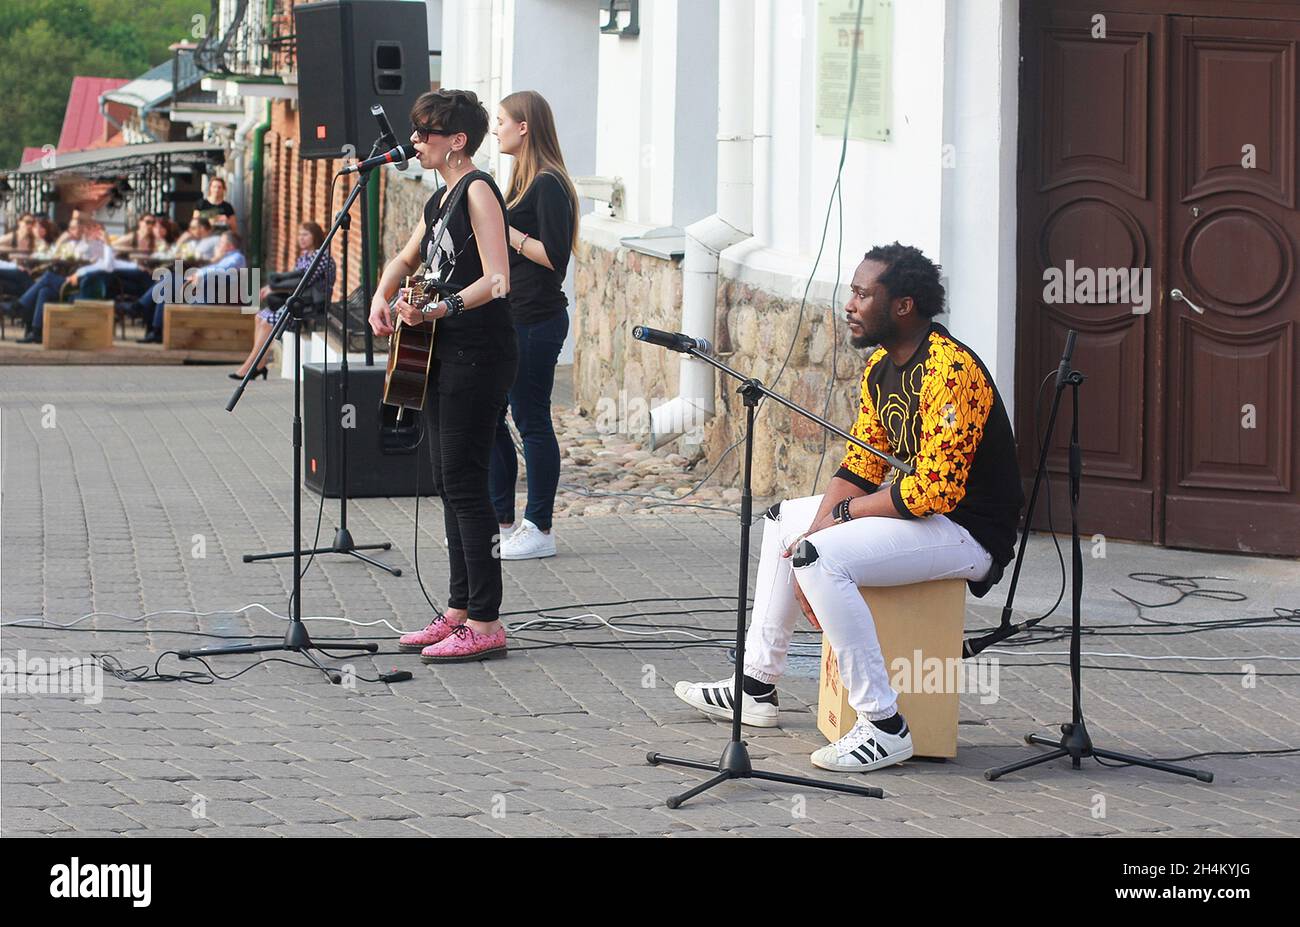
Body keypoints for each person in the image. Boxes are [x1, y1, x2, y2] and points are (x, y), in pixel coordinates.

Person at [675, 243, 1025, 774]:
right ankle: (755, 686)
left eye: (863, 294)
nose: (849, 303)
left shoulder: (951, 371)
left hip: (967, 531)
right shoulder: (882, 367)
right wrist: (812, 532)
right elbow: (859, 468)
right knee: (786, 524)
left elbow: (935, 491)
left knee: (821, 557)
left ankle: (886, 726)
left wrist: (838, 524)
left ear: (903, 305)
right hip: (922, 514)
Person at [370, 88, 517, 664]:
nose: (414, 141)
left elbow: (499, 278)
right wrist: (385, 295)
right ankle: (458, 610)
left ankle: (486, 619)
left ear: (457, 140)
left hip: (478, 353)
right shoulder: (441, 199)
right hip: (441, 351)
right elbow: (406, 259)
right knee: (445, 478)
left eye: (424, 132)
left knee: (465, 481)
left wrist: (443, 308)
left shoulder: (479, 191)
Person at [488, 90, 580, 561]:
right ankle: (501, 521)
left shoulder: (548, 184)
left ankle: (539, 527)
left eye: (501, 120)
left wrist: (508, 233)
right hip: (511, 317)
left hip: (537, 320)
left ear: (524, 126)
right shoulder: (520, 183)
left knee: (531, 421)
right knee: (491, 418)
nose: (496, 128)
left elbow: (555, 258)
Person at [232, 221, 336, 379]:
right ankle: (260, 365)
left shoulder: (321, 256)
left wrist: (273, 288)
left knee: (268, 322)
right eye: (299, 235)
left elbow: (305, 281)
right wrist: (272, 287)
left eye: (306, 235)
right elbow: (293, 281)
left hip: (309, 305)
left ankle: (249, 366)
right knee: (260, 317)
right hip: (298, 300)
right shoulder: (304, 257)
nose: (301, 238)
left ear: (315, 236)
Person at [136, 230, 247, 343]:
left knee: (168, 280)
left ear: (230, 246)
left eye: (221, 243)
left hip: (209, 293)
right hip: (204, 287)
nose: (218, 245)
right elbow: (211, 269)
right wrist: (202, 270)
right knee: (167, 280)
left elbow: (222, 271)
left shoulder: (237, 257)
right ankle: (154, 327)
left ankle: (144, 312)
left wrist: (198, 274)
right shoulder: (226, 257)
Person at [14, 217, 110, 343]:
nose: (71, 231)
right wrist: (61, 241)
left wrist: (104, 242)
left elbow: (103, 265)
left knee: (47, 277)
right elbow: (53, 256)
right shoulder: (74, 244)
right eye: (70, 228)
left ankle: (21, 304)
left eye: (75, 228)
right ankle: (36, 332)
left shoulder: (97, 245)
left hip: (81, 285)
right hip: (70, 282)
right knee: (44, 290)